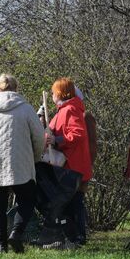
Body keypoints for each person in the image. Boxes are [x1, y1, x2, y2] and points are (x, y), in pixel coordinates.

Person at [0, 73, 43, 253]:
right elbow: (39, 138)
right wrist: (34, 158)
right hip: (20, 161)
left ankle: (1, 245)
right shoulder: (26, 109)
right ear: (16, 88)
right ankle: (16, 234)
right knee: (27, 200)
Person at [46, 78, 93, 248]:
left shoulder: (70, 109)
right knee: (69, 203)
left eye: (53, 92)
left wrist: (57, 139)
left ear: (59, 92)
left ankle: (77, 238)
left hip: (73, 166)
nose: (51, 95)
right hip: (68, 165)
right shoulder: (64, 110)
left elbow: (77, 134)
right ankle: (70, 237)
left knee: (73, 203)